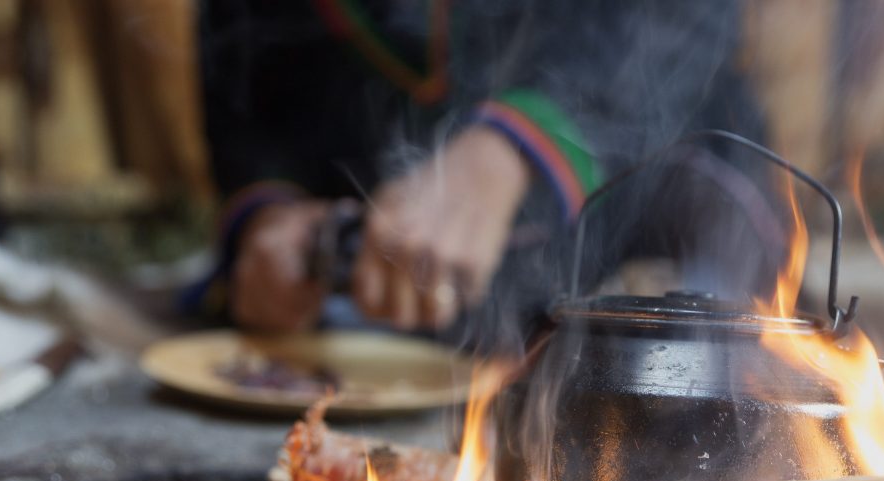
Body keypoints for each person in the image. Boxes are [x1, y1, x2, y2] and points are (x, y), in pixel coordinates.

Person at [191, 1, 767, 348]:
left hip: (659, 213)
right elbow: (244, 68)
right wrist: (270, 212)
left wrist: (511, 146)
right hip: (380, 299)